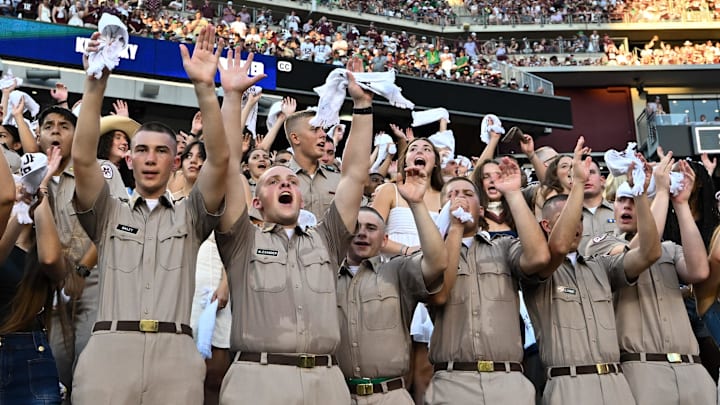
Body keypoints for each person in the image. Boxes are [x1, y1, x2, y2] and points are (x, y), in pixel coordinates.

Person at [70, 26, 229, 404]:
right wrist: (95, 82)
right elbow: (81, 158)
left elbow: (221, 161)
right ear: (129, 158)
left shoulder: (191, 216)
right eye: (142, 150)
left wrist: (207, 89)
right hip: (110, 350)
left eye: (161, 151)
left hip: (175, 352)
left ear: (176, 161)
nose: (151, 158)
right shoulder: (108, 210)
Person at [214, 55, 372, 404]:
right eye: (273, 182)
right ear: (256, 202)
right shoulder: (242, 240)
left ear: (300, 196)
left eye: (291, 181)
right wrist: (232, 97)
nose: (286, 183)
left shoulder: (326, 239)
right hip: (259, 381)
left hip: (326, 383)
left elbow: (355, 176)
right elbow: (224, 169)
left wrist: (361, 105)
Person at [523, 137, 661, 405]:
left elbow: (649, 253)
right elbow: (560, 245)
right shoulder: (539, 270)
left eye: (578, 218)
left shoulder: (600, 265)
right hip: (569, 384)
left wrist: (640, 192)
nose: (575, 222)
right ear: (545, 224)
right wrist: (576, 185)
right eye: (565, 218)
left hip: (615, 381)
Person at [586, 154, 717, 404]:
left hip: (691, 365)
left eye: (635, 201)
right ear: (612, 206)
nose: (627, 206)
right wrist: (660, 193)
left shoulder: (668, 246)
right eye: (622, 200)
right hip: (643, 367)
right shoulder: (599, 244)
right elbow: (645, 250)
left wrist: (679, 204)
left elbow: (699, 271)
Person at [428, 160, 550, 404]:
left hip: (508, 380)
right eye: (451, 195)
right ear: (440, 208)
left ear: (481, 210)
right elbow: (438, 292)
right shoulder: (428, 257)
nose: (458, 199)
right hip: (453, 381)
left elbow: (539, 257)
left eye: (467, 194)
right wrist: (453, 229)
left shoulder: (504, 245)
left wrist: (514, 194)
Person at [336, 167, 447, 403]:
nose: (362, 233)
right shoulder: (324, 275)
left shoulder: (398, 270)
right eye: (355, 227)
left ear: (385, 239)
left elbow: (437, 262)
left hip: (391, 396)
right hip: (338, 395)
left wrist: (416, 204)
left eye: (371, 228)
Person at [0, 147, 68, 405]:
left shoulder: (42, 246)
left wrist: (39, 193)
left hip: (29, 354)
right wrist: (20, 205)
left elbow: (52, 262)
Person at [578, 159, 615, 255]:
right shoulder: (568, 217)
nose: (586, 177)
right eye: (581, 173)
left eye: (591, 172)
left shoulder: (620, 211)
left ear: (602, 180)